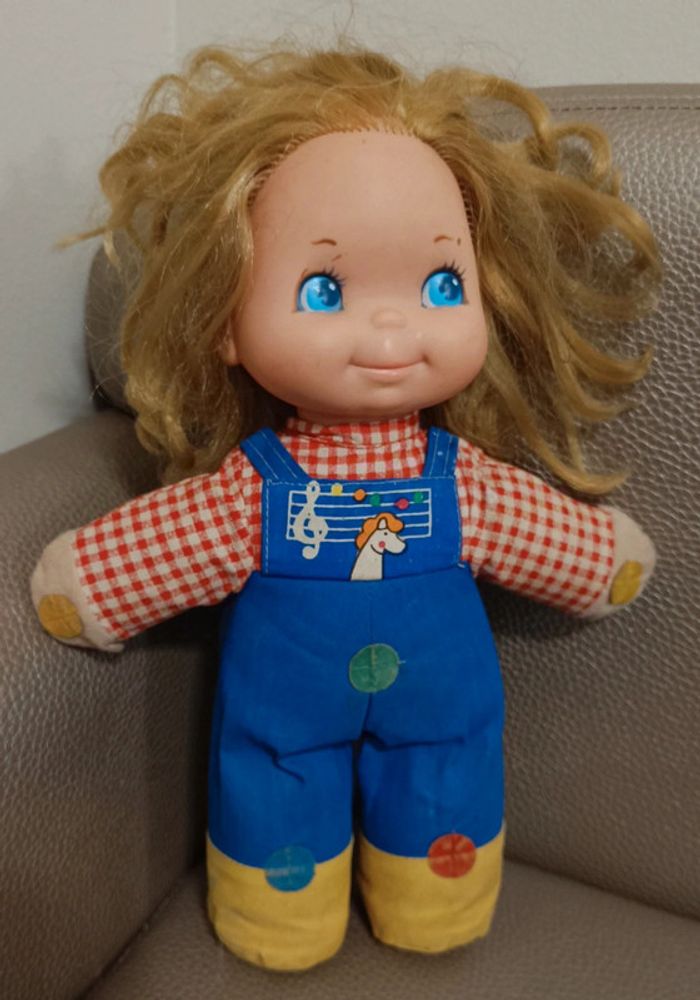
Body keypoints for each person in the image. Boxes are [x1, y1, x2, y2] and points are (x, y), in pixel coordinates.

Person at [30, 44, 660, 972]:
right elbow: (167, 544)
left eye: (441, 285)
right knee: (273, 776)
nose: (392, 329)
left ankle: (432, 896)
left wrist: (600, 562)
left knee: (445, 770)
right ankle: (279, 912)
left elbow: (550, 538)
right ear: (226, 320)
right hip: (284, 719)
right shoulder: (254, 490)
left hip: (439, 712)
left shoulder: (463, 482)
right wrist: (93, 584)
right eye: (324, 290)